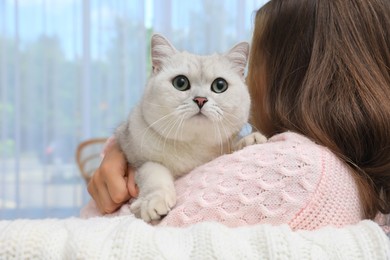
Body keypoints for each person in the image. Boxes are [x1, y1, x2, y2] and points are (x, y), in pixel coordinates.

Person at [87, 0, 390, 229]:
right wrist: (126, 149)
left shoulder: (298, 169)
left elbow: (121, 232)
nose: (202, 98)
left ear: (289, 74)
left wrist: (129, 163)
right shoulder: (351, 175)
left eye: (255, 59)